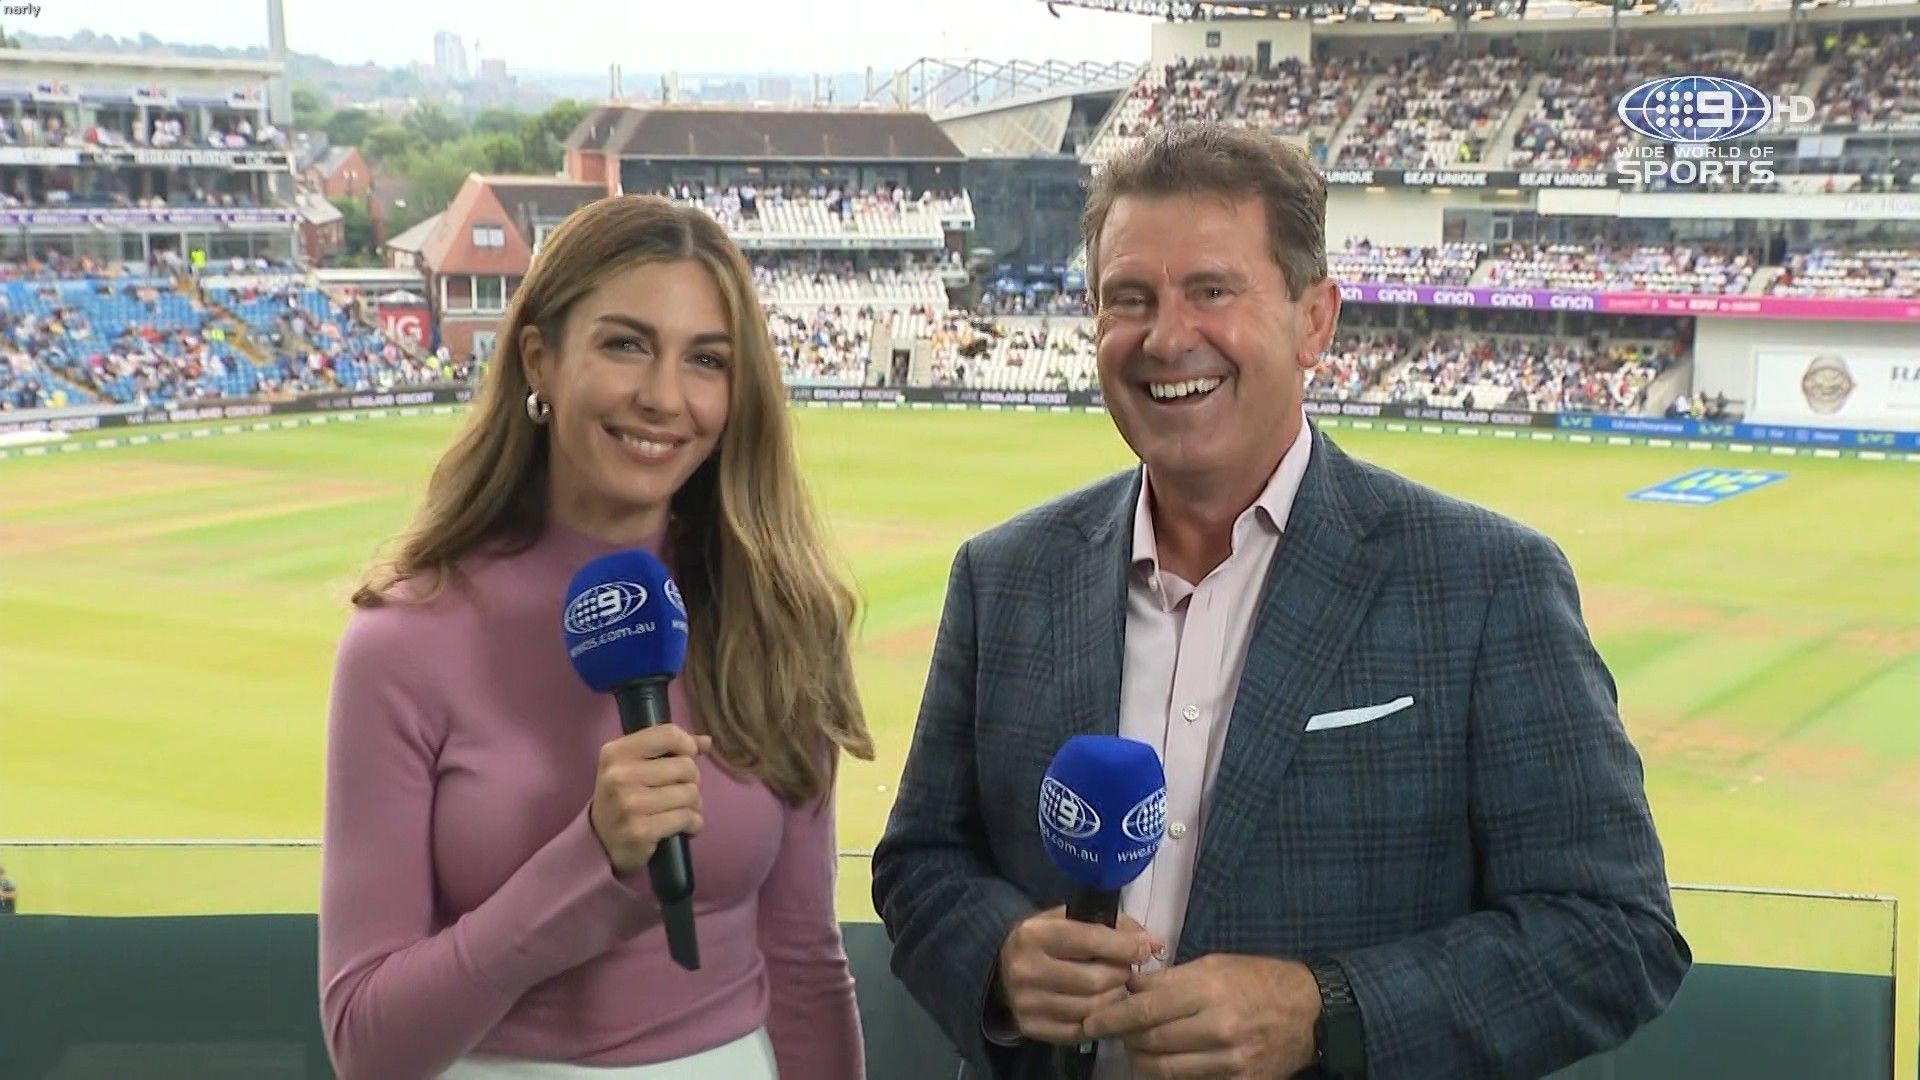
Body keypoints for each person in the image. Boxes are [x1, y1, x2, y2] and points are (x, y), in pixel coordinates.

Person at [872, 123, 1688, 1080]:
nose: (1166, 337)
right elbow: (922, 863)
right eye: (1129, 298)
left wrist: (1325, 1010)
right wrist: (1002, 958)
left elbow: (1615, 933)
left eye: (1212, 291)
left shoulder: (1485, 582)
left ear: (1315, 321)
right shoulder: (1004, 574)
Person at [320, 195, 873, 1080]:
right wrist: (590, 860)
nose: (663, 398)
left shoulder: (779, 617)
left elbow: (805, 961)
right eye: (625, 345)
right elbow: (367, 1042)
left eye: (706, 360)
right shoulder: (402, 641)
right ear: (539, 360)